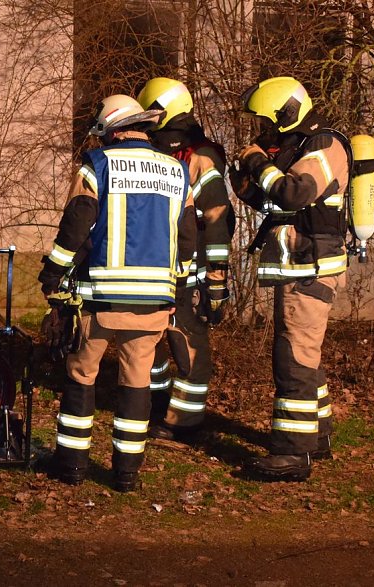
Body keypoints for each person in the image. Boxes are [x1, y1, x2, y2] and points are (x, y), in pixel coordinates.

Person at [38, 94, 197, 492]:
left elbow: (77, 223)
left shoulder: (98, 165)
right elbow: (188, 237)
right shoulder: (178, 172)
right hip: (154, 304)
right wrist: (175, 279)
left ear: (111, 129)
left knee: (81, 375)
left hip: (100, 300)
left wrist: (53, 272)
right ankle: (126, 474)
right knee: (136, 382)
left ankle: (72, 465)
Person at [232, 76, 350, 481]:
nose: (263, 130)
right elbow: (273, 201)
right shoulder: (298, 148)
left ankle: (291, 455)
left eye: (268, 121)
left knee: (294, 358)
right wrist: (246, 177)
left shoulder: (323, 146)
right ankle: (316, 438)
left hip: (309, 270)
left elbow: (293, 194)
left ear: (287, 112)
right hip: (296, 269)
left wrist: (257, 163)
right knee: (304, 355)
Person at [136, 77, 234, 443]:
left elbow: (216, 221)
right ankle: (156, 401)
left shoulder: (199, 157)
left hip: (188, 274)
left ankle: (185, 421)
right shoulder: (160, 152)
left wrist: (216, 281)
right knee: (151, 338)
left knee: (188, 341)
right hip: (155, 267)